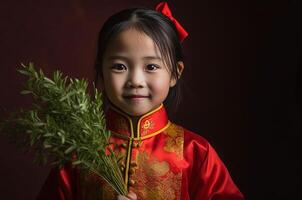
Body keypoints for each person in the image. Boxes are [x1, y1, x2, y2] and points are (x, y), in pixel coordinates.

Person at [36, 2, 244, 200]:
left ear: (175, 73)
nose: (135, 81)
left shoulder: (195, 152)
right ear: (101, 70)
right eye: (119, 66)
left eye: (151, 67)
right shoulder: (79, 153)